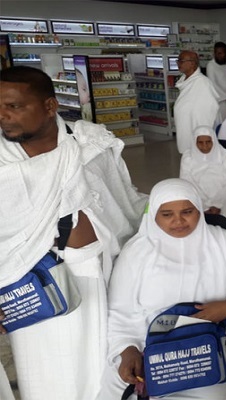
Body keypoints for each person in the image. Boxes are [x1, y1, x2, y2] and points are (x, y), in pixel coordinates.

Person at [0, 66, 147, 400]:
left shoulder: (91, 145)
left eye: (14, 106)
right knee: (46, 376)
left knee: (102, 368)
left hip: (97, 273)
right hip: (30, 287)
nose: (4, 117)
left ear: (50, 106)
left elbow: (125, 199)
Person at [98, 178, 226, 399]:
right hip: (144, 345)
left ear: (199, 209)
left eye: (187, 211)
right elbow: (119, 311)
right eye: (167, 214)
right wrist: (127, 349)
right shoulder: (136, 252)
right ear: (154, 215)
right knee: (112, 387)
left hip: (208, 346)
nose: (178, 221)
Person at [179, 125, 226, 237]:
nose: (205, 146)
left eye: (208, 142)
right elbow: (188, 183)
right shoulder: (188, 158)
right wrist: (204, 206)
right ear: (194, 143)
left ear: (214, 141)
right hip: (198, 201)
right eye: (200, 143)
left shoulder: (225, 156)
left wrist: (218, 204)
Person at [173, 50, 219, 154]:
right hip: (185, 129)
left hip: (199, 133)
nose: (178, 63)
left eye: (181, 61)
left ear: (192, 63)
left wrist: (202, 134)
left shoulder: (202, 83)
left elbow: (209, 110)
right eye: (178, 61)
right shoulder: (184, 80)